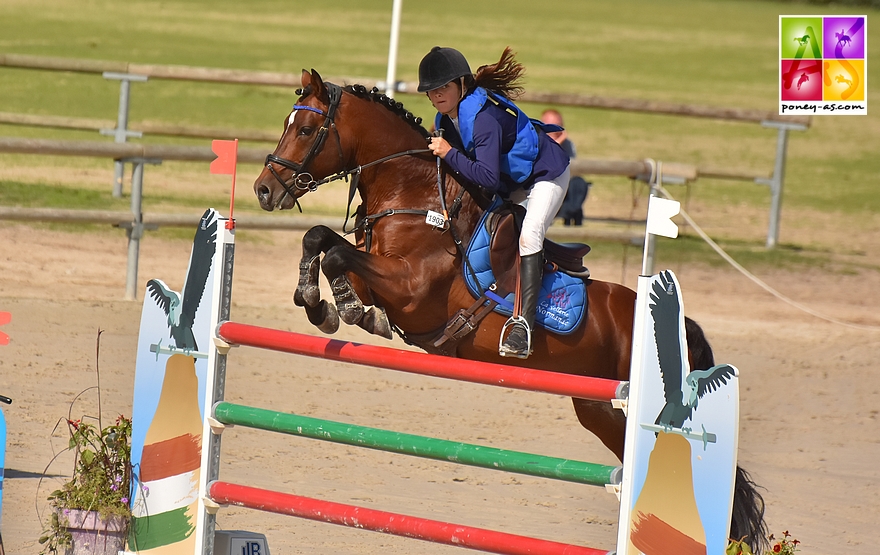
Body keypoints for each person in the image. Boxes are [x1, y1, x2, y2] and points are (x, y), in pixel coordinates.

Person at [419, 46, 571, 359]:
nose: (436, 96)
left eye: (443, 88)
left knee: (529, 234)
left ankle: (524, 325)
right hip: (511, 181)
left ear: (462, 85)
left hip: (546, 175)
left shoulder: (484, 119)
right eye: (431, 92)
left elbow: (486, 177)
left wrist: (448, 152)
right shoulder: (446, 118)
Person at [541, 109, 591, 226]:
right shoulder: (539, 140)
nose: (557, 129)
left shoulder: (568, 144)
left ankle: (570, 215)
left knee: (579, 183)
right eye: (552, 125)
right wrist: (557, 144)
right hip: (545, 184)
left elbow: (573, 169)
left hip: (565, 183)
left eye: (559, 125)